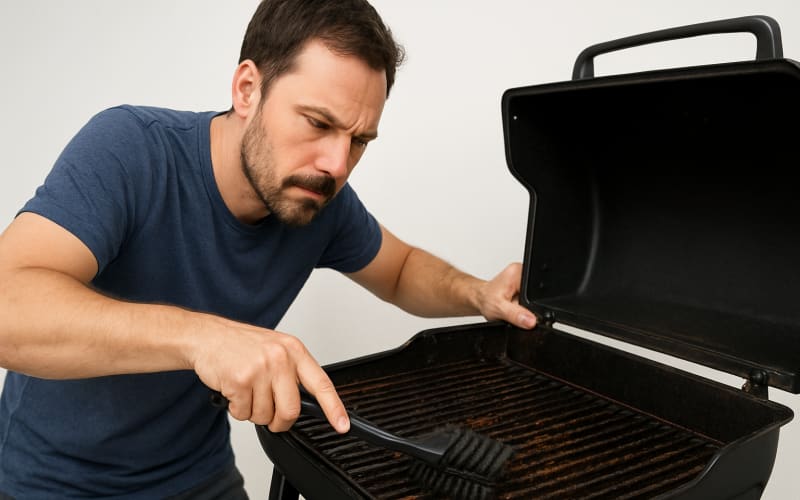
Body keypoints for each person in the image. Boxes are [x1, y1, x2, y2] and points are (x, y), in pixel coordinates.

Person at [0, 0, 537, 497]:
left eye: (359, 140)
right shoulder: (130, 149)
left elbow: (399, 270)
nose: (337, 164)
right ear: (247, 89)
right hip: (56, 481)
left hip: (198, 476)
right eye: (318, 123)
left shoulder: (317, 198)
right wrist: (202, 337)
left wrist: (479, 293)